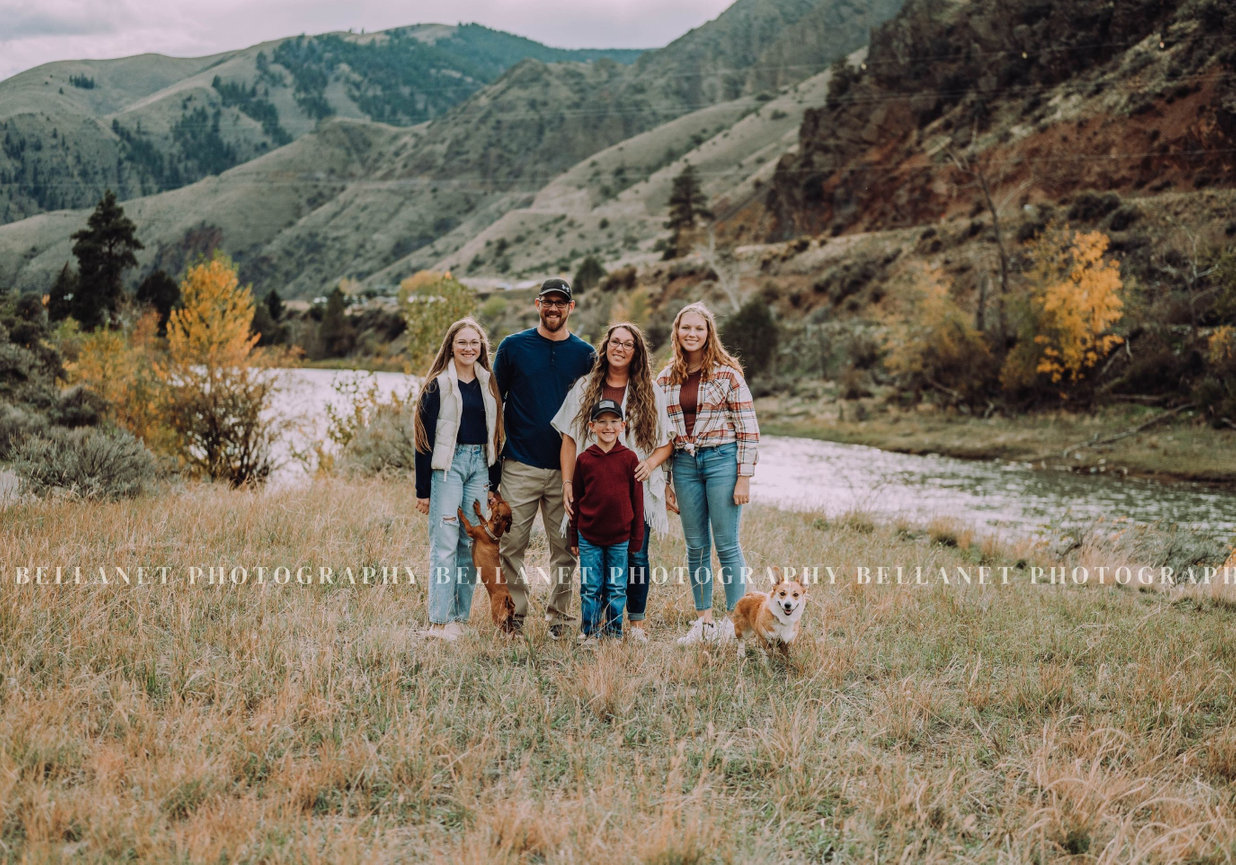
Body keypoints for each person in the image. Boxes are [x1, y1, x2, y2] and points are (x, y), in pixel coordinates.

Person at [552, 322, 674, 643]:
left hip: (634, 490)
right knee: (596, 556)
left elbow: (667, 442)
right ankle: (598, 623)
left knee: (635, 555)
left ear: (637, 352)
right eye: (615, 342)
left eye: (628, 344)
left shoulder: (649, 390)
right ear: (606, 346)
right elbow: (568, 439)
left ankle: (635, 623)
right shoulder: (584, 387)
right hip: (593, 489)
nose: (620, 348)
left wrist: (649, 463)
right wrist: (567, 483)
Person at [493, 278, 595, 636]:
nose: (553, 308)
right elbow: (494, 401)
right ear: (537, 304)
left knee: (565, 549)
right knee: (511, 545)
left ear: (571, 307)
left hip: (567, 470)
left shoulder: (586, 354)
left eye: (560, 303)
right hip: (519, 464)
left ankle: (559, 620)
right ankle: (513, 617)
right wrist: (493, 462)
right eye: (547, 302)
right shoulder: (512, 347)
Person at [656, 302, 759, 645]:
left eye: (699, 328)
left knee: (727, 545)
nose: (692, 334)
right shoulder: (666, 377)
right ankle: (704, 623)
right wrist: (667, 481)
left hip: (721, 461)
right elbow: (663, 434)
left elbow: (748, 428)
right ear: (677, 331)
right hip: (684, 464)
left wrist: (743, 476)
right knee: (696, 546)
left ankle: (734, 623)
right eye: (686, 328)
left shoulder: (728, 374)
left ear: (708, 333)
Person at [414, 317, 504, 640]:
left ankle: (459, 620)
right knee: (445, 543)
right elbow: (423, 440)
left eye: (474, 342)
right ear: (451, 345)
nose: (469, 348)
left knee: (471, 544)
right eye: (462, 342)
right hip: (448, 468)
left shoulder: (488, 383)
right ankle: (439, 621)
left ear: (482, 348)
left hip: (479, 465)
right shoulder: (438, 384)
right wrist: (422, 490)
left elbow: (496, 437)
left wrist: (493, 483)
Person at [568, 398, 644, 644]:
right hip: (588, 536)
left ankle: (613, 632)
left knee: (616, 587)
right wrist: (573, 536)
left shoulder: (629, 458)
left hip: (620, 538)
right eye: (602, 422)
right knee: (591, 587)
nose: (608, 427)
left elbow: (637, 501)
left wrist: (636, 538)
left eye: (613, 421)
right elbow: (577, 501)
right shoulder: (584, 460)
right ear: (592, 426)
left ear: (622, 426)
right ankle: (589, 632)